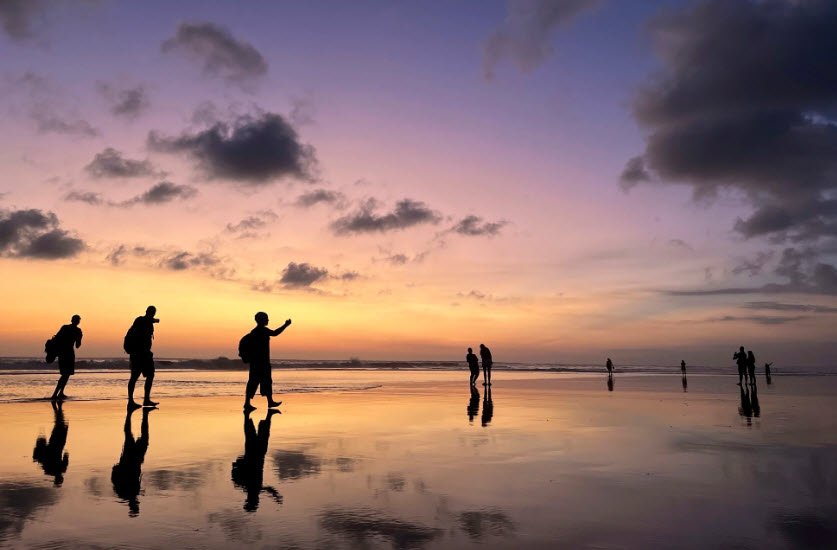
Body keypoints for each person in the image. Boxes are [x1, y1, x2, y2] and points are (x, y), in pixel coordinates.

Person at [232, 409, 283, 512]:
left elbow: (235, 470)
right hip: (258, 455)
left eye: (256, 501)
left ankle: (249, 414)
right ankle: (267, 415)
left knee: (252, 433)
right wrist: (275, 495)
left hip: (253, 454)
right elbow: (268, 489)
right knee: (260, 434)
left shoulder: (247, 487)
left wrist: (274, 495)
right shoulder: (251, 488)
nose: (258, 500)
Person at [244, 312, 292, 411]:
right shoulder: (262, 330)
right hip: (261, 362)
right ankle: (251, 403)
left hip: (257, 362)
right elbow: (275, 333)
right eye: (266, 318)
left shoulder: (254, 331)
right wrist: (285, 325)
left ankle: (264, 402)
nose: (268, 320)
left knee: (259, 382)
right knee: (259, 382)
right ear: (261, 320)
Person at [111, 406, 152, 517]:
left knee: (130, 436)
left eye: (136, 505)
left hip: (130, 460)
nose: (137, 503)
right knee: (137, 437)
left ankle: (132, 415)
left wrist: (117, 468)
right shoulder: (129, 493)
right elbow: (115, 479)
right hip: (135, 460)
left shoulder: (123, 494)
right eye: (137, 505)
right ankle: (141, 415)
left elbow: (114, 478)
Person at [127, 306, 159, 409]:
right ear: (147, 312)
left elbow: (153, 320)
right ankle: (131, 401)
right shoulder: (140, 320)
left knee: (150, 375)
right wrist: (152, 320)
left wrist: (153, 320)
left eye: (153, 313)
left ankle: (146, 399)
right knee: (134, 377)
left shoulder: (148, 321)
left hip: (146, 354)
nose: (152, 314)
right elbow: (143, 324)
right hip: (138, 354)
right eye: (151, 312)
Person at [32, 401, 69, 486]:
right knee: (59, 426)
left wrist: (65, 454)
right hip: (54, 447)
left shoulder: (58, 470)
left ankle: (57, 408)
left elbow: (66, 456)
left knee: (59, 427)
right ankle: (57, 408)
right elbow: (66, 457)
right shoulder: (49, 471)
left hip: (56, 446)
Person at [50, 315, 82, 401]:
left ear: (71, 320)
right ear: (78, 322)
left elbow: (56, 338)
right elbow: (78, 345)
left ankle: (60, 393)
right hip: (69, 353)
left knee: (65, 374)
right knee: (66, 375)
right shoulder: (78, 331)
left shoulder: (64, 327)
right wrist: (79, 338)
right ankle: (55, 394)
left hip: (62, 353)